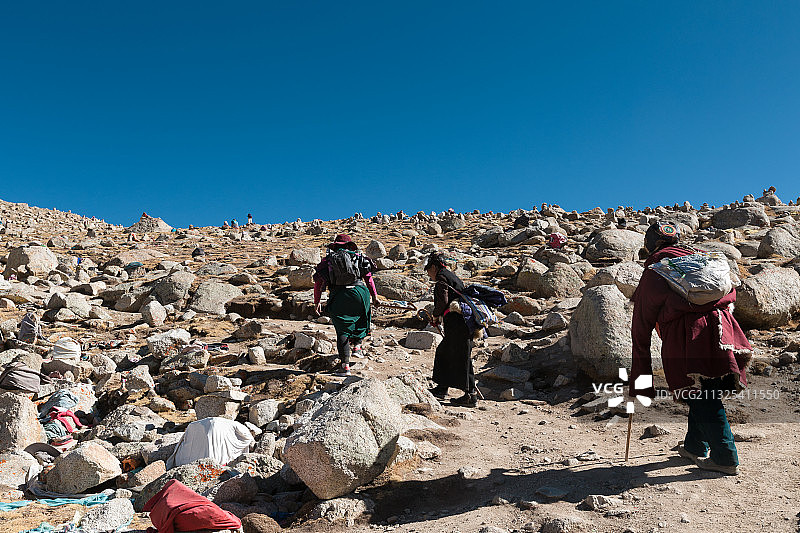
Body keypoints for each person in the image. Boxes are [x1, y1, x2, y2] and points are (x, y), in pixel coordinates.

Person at [630, 222, 752, 475]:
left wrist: (639, 375)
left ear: (650, 246)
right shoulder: (703, 260)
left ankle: (725, 457)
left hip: (689, 337)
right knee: (705, 390)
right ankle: (694, 446)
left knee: (701, 395)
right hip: (723, 330)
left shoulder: (656, 270)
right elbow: (730, 293)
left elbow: (642, 321)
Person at [313, 234, 379, 376]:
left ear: (334, 246)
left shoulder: (327, 261)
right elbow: (369, 279)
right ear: (350, 245)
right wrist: (374, 296)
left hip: (339, 295)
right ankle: (357, 346)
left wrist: (317, 301)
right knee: (362, 318)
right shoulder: (359, 258)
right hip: (360, 292)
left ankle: (345, 366)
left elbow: (318, 283)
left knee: (342, 330)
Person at [425, 252, 478, 407]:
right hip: (463, 322)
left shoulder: (442, 277)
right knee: (449, 353)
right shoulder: (451, 276)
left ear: (434, 267)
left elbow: (443, 301)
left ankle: (470, 396)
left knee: (460, 356)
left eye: (429, 270)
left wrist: (435, 316)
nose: (429, 274)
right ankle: (443, 388)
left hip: (458, 323)